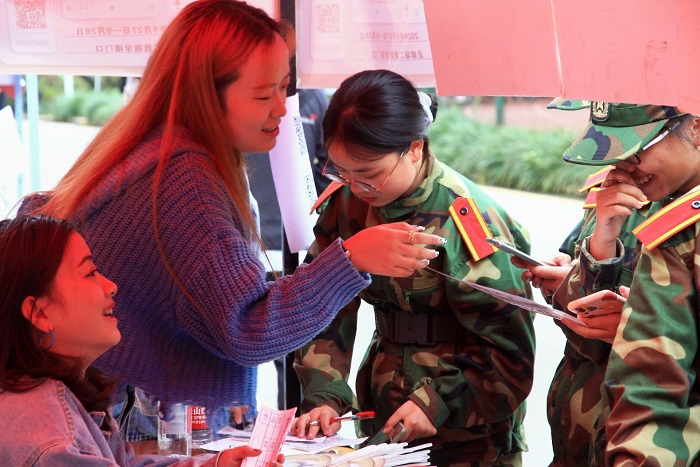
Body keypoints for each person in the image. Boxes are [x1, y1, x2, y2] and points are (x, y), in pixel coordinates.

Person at [20, 0, 443, 431]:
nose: (281, 107)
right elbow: (248, 328)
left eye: (284, 87)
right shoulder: (186, 182)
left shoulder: (158, 148)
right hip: (138, 417)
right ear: (206, 94)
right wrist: (351, 259)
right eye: (263, 94)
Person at [290, 69, 536, 466]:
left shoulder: (468, 220)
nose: (356, 187)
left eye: (369, 175)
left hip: (468, 434)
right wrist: (325, 394)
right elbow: (325, 303)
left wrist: (435, 402)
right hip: (384, 416)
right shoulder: (348, 202)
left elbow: (511, 355)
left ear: (415, 149)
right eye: (341, 172)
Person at [0, 215, 282, 466]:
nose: (111, 286)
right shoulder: (54, 445)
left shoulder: (56, 400)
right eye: (90, 273)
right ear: (40, 313)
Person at [516, 102, 699, 465]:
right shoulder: (617, 192)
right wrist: (599, 244)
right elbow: (576, 323)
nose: (624, 165)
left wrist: (643, 332)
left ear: (695, 127)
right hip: (583, 437)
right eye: (616, 151)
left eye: (638, 150)